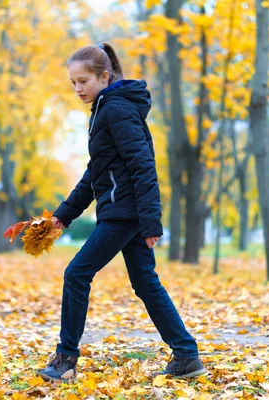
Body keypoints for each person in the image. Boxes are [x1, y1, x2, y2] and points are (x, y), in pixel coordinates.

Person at [37, 42, 204, 381]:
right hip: (125, 210)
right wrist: (64, 215)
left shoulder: (115, 109)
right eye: (73, 82)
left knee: (76, 274)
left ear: (104, 76)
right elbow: (95, 173)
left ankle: (65, 359)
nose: (77, 89)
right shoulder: (104, 109)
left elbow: (143, 164)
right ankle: (186, 355)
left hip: (124, 213)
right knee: (145, 282)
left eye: (83, 81)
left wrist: (150, 220)